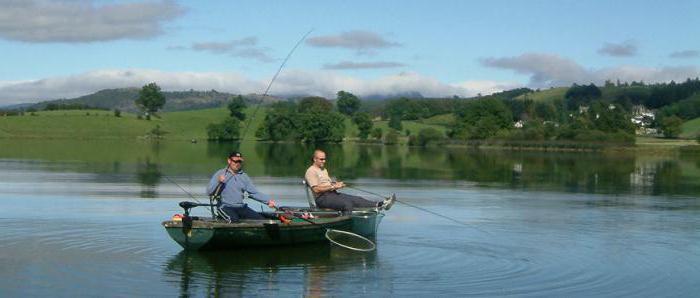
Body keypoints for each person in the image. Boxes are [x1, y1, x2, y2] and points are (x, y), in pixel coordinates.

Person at [305, 149, 395, 212]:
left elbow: (327, 183)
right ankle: (347, 223)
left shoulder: (323, 169)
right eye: (321, 159)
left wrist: (336, 184)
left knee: (356, 199)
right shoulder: (311, 171)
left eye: (324, 159)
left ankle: (381, 204)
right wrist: (333, 186)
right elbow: (316, 189)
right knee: (347, 204)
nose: (324, 161)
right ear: (314, 159)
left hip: (332, 195)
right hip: (322, 199)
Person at [207, 151, 276, 222]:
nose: (237, 163)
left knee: (262, 221)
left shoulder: (244, 176)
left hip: (241, 207)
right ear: (229, 161)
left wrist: (268, 201)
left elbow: (254, 193)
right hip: (225, 207)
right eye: (235, 161)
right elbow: (209, 192)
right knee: (234, 221)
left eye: (239, 161)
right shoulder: (220, 173)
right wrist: (218, 181)